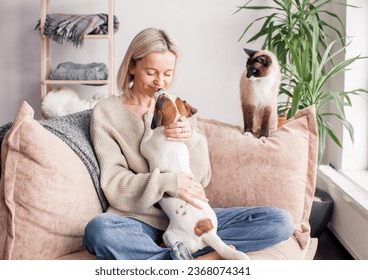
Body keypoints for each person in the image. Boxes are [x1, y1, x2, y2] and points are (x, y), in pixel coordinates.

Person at [82, 27, 294, 260]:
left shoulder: (178, 108)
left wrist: (190, 138)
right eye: (151, 72)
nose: (160, 82)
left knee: (280, 221)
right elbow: (114, 184)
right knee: (99, 231)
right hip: (139, 220)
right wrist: (168, 182)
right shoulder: (106, 112)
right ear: (132, 66)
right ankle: (196, 257)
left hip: (191, 217)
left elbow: (202, 178)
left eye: (167, 73)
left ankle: (172, 258)